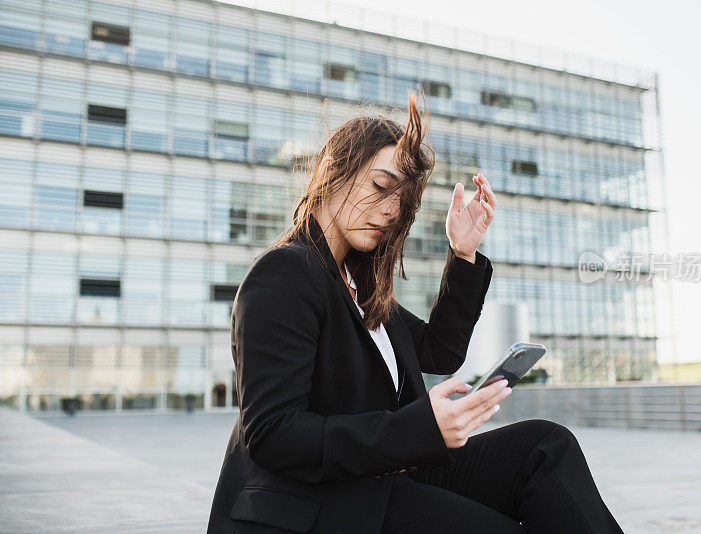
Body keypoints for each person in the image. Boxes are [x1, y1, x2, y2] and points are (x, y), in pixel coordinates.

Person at [206, 91, 624, 533]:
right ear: (332, 169)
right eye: (381, 187)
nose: (389, 211)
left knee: (546, 447)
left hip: (382, 478)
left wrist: (463, 254)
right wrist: (419, 428)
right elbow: (273, 434)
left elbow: (439, 352)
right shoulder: (285, 275)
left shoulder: (360, 289)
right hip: (317, 502)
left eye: (401, 203)